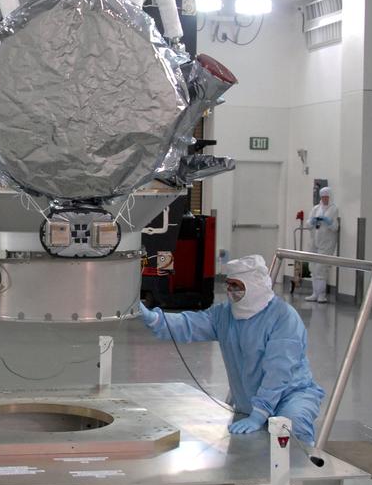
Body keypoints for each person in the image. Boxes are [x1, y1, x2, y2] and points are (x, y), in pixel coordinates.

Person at [138, 254, 325, 444]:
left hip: (290, 396)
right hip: (249, 402)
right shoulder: (225, 314)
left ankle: (304, 472)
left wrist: (261, 411)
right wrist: (156, 319)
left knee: (291, 431)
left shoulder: (283, 317)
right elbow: (192, 324)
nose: (230, 291)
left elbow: (279, 370)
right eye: (229, 285)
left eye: (237, 286)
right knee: (254, 450)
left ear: (253, 286)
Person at [305, 186, 339, 303]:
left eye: (326, 197)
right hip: (314, 242)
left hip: (327, 244)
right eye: (323, 197)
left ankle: (321, 295)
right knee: (312, 268)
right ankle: (315, 293)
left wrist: (328, 222)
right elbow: (308, 224)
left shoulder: (334, 209)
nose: (324, 199)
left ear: (330, 197)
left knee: (321, 268)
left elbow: (335, 227)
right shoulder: (316, 208)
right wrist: (313, 221)